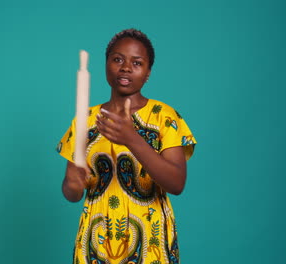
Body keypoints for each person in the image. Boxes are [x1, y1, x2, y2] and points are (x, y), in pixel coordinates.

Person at [56, 29, 197, 264]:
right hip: (95, 242)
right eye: (118, 59)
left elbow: (176, 183)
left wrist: (132, 139)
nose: (126, 68)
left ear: (148, 72)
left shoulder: (164, 117)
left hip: (151, 243)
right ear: (106, 64)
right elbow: (72, 193)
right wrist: (72, 184)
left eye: (137, 62)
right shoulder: (85, 120)